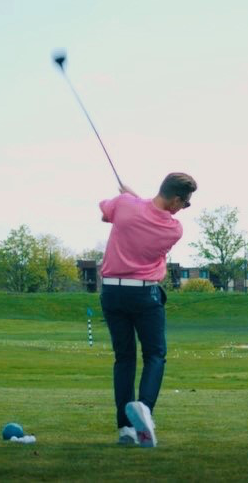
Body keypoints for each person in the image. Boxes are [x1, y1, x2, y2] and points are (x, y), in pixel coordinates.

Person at [97, 172, 195, 448]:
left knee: (124, 359)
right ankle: (145, 409)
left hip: (112, 292)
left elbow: (107, 211)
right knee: (154, 354)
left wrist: (130, 197)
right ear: (176, 199)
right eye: (185, 204)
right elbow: (149, 213)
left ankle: (125, 429)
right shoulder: (174, 229)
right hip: (144, 293)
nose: (183, 209)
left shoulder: (125, 204)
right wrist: (134, 197)